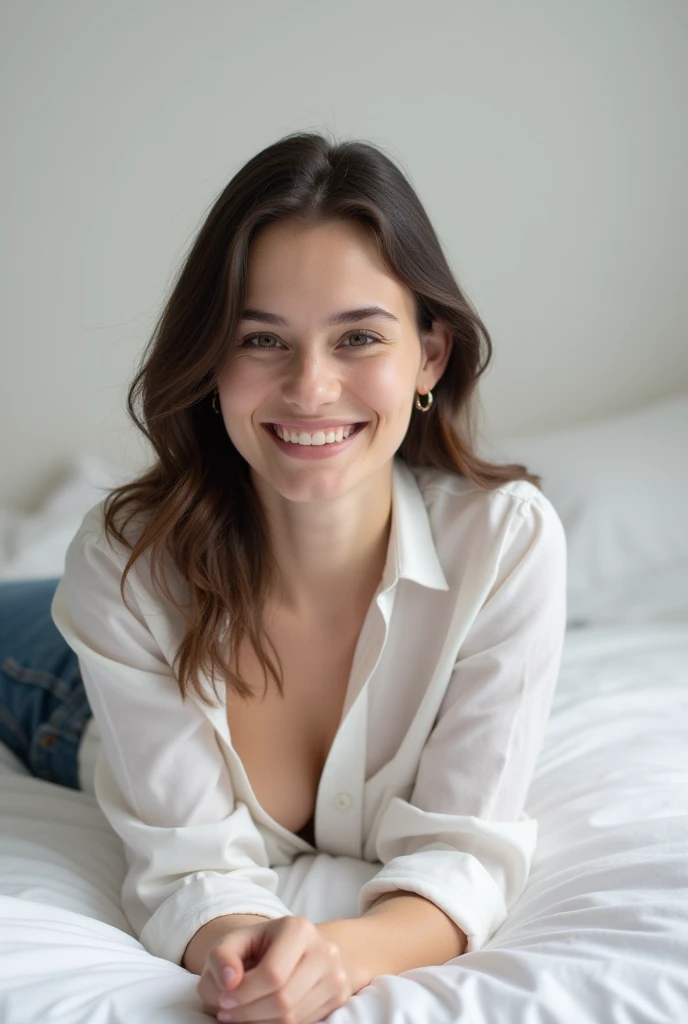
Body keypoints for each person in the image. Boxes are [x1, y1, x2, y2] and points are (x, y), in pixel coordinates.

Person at [0, 130, 567, 1024]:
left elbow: (465, 852)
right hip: (62, 681)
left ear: (430, 357)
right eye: (262, 339)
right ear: (210, 363)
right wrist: (237, 945)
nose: (310, 387)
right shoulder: (125, 565)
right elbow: (189, 871)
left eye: (358, 338)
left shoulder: (507, 544)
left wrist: (331, 958)